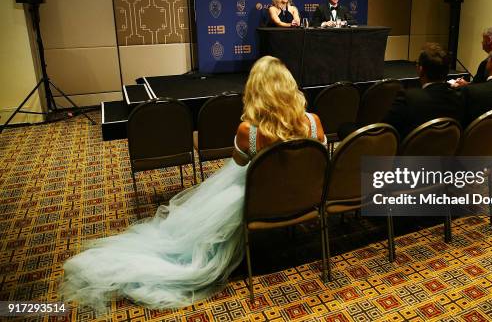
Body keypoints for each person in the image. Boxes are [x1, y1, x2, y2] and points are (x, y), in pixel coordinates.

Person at [61, 56, 326, 311]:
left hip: (261, 202)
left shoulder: (249, 131)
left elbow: (240, 163)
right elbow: (317, 159)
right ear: (291, 88)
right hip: (302, 196)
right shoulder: (315, 122)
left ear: (256, 91)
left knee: (203, 220)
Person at [384, 43, 464, 141]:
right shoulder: (460, 98)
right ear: (447, 71)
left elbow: (386, 130)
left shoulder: (407, 98)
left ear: (420, 70)